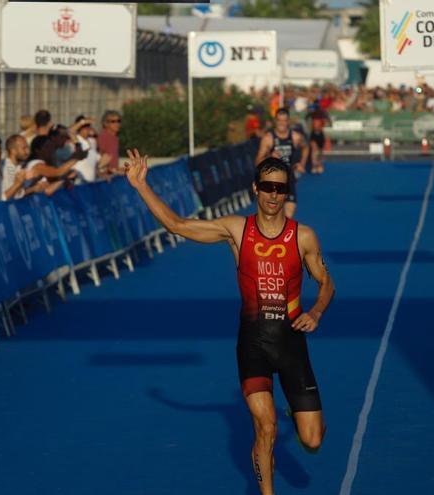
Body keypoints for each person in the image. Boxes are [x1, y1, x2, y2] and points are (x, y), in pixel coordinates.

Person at [124, 150, 334, 495]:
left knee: (312, 439)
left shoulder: (303, 237)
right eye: (266, 187)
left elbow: (327, 282)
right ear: (255, 188)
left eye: (279, 189)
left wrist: (316, 312)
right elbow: (177, 225)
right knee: (265, 427)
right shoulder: (237, 230)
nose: (272, 195)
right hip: (252, 344)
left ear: (287, 193)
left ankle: (297, 417)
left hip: (292, 344)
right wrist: (141, 186)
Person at [255, 108, 308, 219]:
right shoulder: (268, 138)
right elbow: (257, 162)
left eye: (284, 120)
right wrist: (269, 157)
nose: (282, 123)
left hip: (289, 179)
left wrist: (301, 164)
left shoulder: (295, 137)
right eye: (279, 120)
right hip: (272, 181)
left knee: (289, 215)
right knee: (272, 216)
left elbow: (306, 147)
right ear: (275, 121)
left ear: (288, 121)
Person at [97, 110, 122, 179]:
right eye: (113, 121)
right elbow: (99, 158)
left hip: (113, 175)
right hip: (105, 177)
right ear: (105, 123)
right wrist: (110, 170)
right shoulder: (103, 137)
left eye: (118, 121)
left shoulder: (114, 137)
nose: (117, 124)